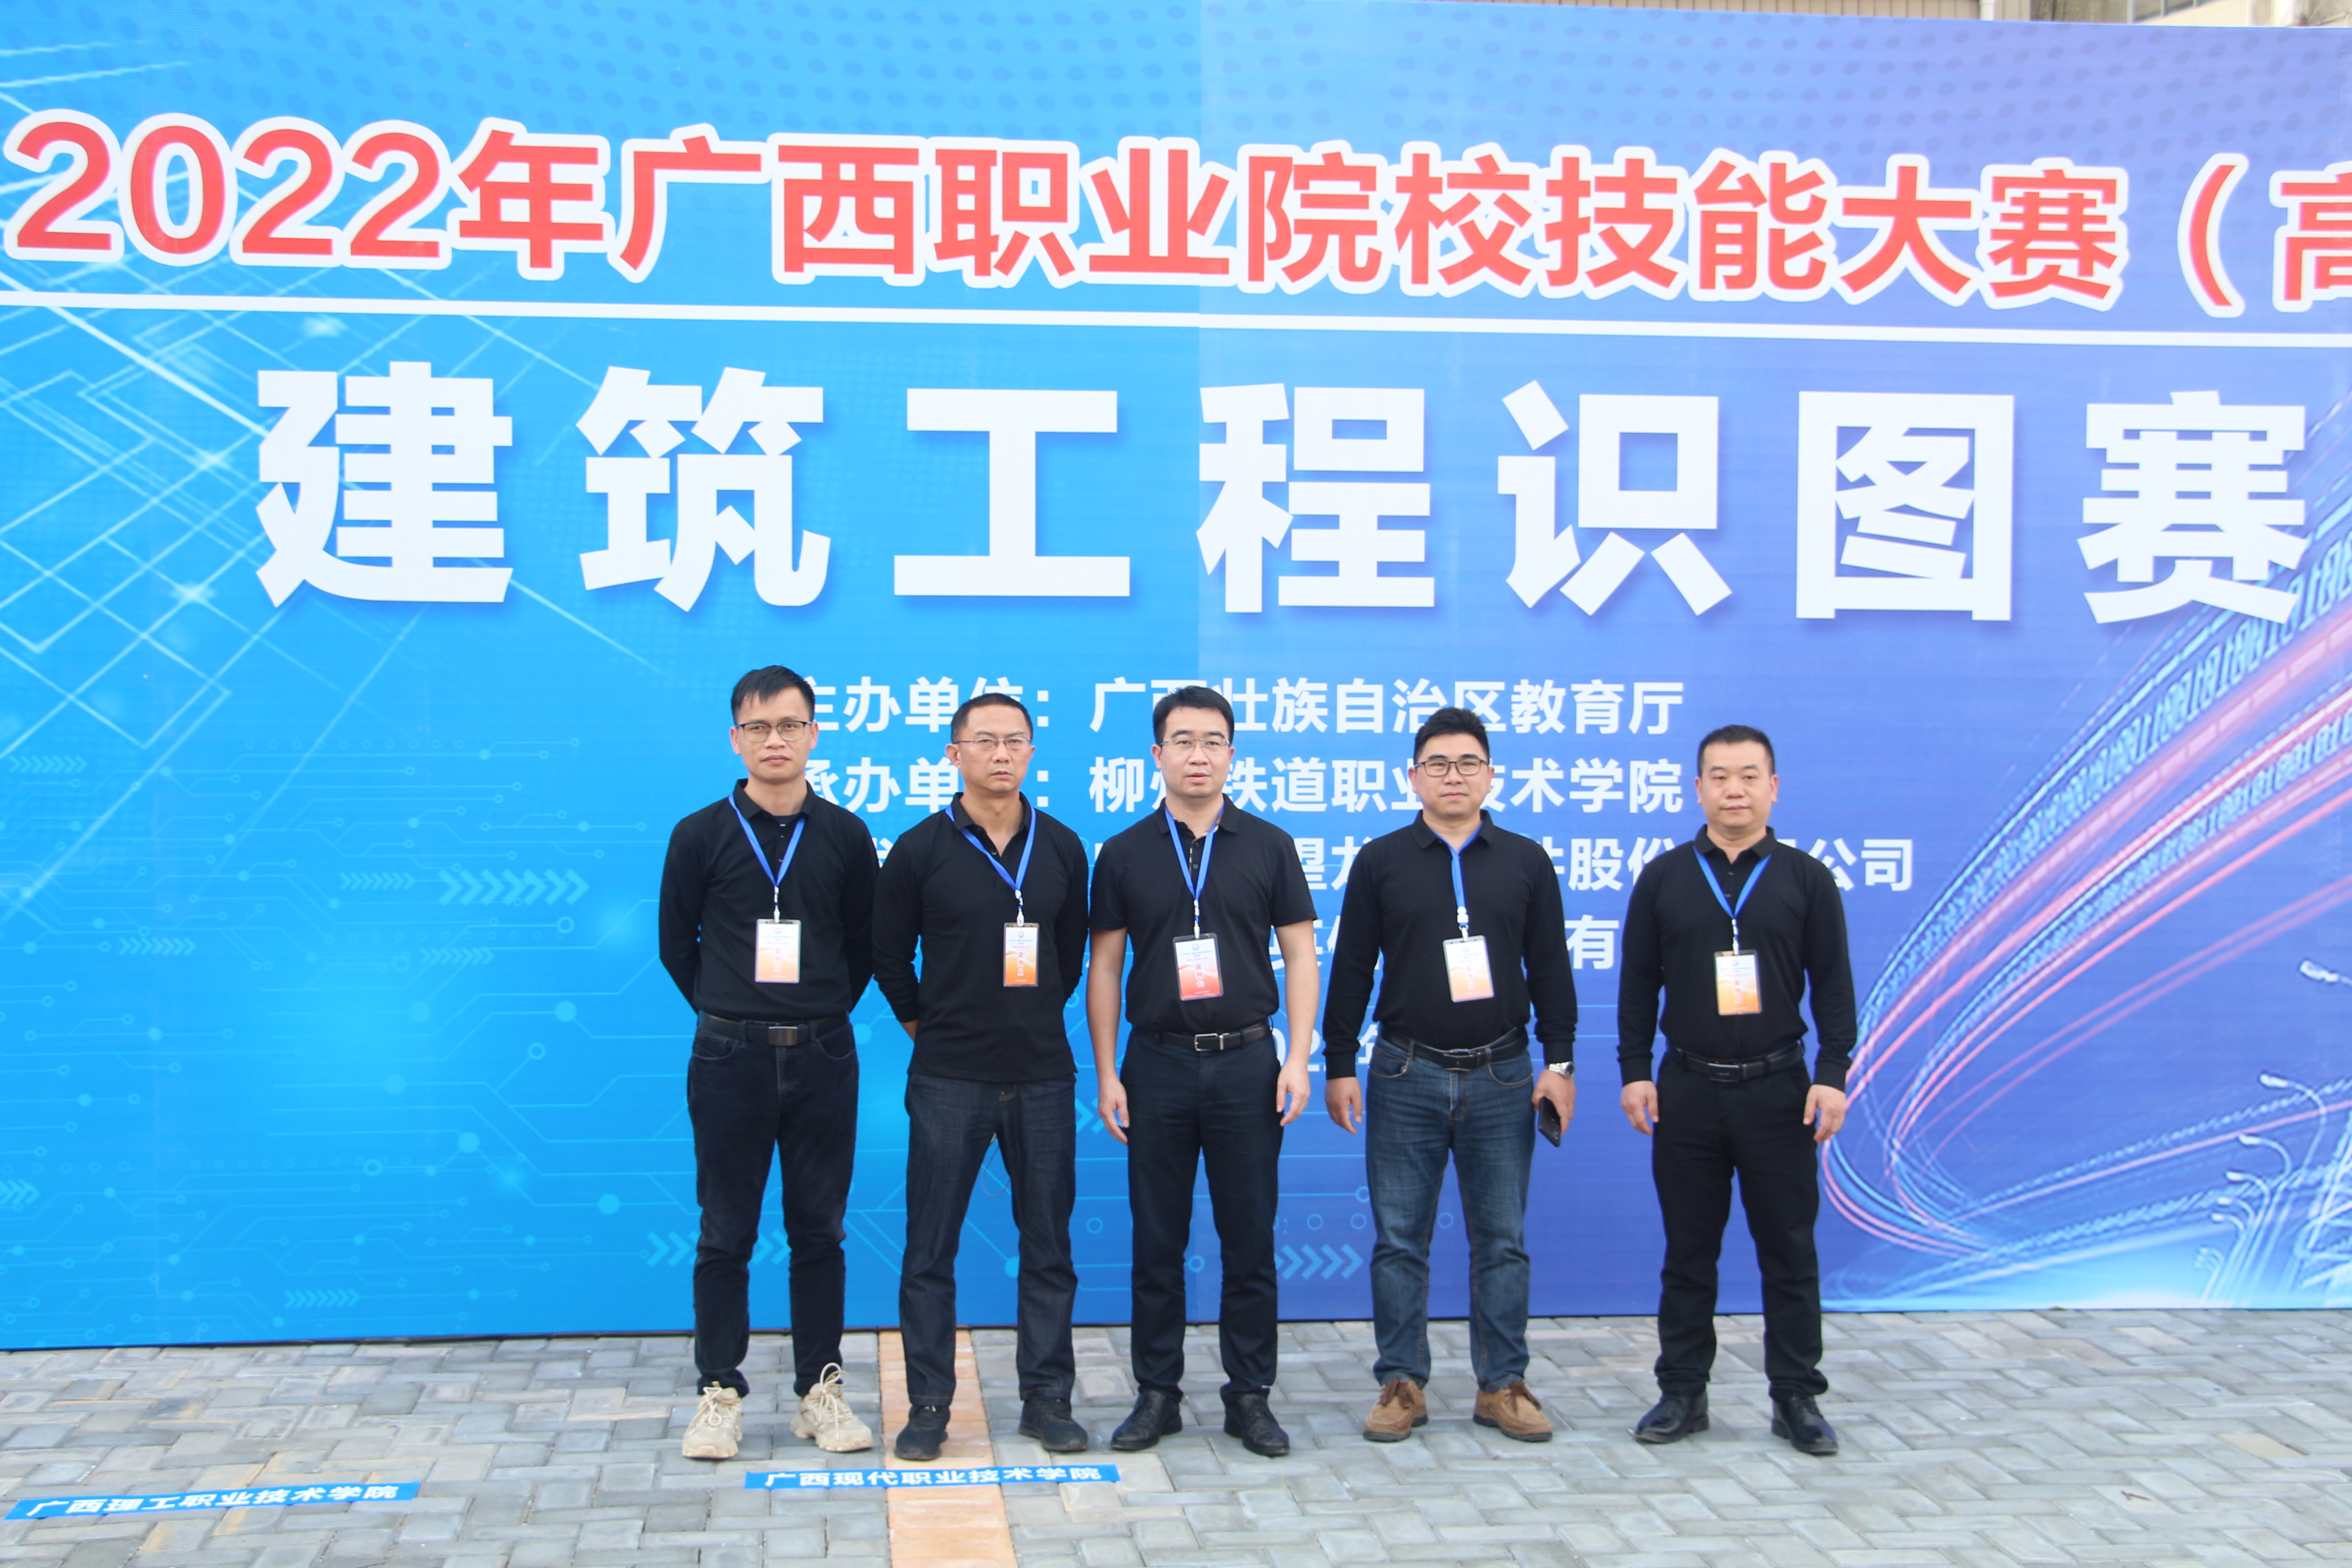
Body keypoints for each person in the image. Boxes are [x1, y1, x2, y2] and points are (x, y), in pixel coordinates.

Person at [1323, 707, 1579, 1445]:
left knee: (1502, 1240)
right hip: (1406, 1070)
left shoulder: (1526, 861)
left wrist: (1560, 1063)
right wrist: (1339, 1062)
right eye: (1437, 763)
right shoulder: (1381, 861)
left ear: (1491, 775)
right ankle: (1402, 1382)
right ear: (1413, 777)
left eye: (1468, 763)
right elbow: (1353, 966)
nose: (1453, 776)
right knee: (1399, 1240)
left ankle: (1503, 1384)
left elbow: (1550, 966)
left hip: (1504, 1072)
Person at [1085, 686, 1320, 1459]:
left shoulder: (1269, 845)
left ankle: (1249, 1396)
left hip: (1248, 1064)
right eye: (1183, 741)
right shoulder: (1123, 852)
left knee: (1249, 1239)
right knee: (1157, 1239)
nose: (1198, 755)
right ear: (1157, 755)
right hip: (1154, 1064)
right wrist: (1107, 1072)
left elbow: (1300, 956)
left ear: (1232, 754)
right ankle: (1157, 1393)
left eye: (1213, 741)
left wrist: (1298, 1056)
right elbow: (1106, 968)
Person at [1616, 724, 1855, 1458]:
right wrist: (1635, 1071)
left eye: (1749, 776)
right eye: (1719, 776)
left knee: (1790, 1252)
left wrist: (1833, 1075)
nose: (1734, 790)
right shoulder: (1664, 877)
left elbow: (1834, 986)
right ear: (1698, 789)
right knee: (1689, 1253)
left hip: (1780, 1090)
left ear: (1773, 788)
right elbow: (1638, 984)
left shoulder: (1806, 878)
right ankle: (1683, 1393)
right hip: (1687, 1089)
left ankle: (1796, 1398)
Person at [659, 665, 877, 1462]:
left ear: (814, 734)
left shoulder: (847, 835)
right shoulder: (699, 834)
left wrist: (813, 1008)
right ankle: (719, 1391)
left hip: (823, 1053)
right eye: (758, 727)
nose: (774, 740)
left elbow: (863, 945)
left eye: (790, 726)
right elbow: (676, 946)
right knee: (726, 1232)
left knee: (820, 1229)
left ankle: (821, 1391)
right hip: (729, 1057)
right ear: (735, 739)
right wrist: (733, 1009)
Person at [873, 691, 1092, 1461]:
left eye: (1015, 741)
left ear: (1031, 752)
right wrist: (929, 1025)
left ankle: (1048, 1399)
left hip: (1042, 1077)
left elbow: (1068, 956)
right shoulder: (919, 849)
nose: (1002, 754)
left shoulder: (1063, 846)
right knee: (929, 1250)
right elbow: (888, 956)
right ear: (954, 752)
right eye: (985, 741)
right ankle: (930, 1405)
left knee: (1049, 1247)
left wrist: (1024, 1018)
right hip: (949, 1078)